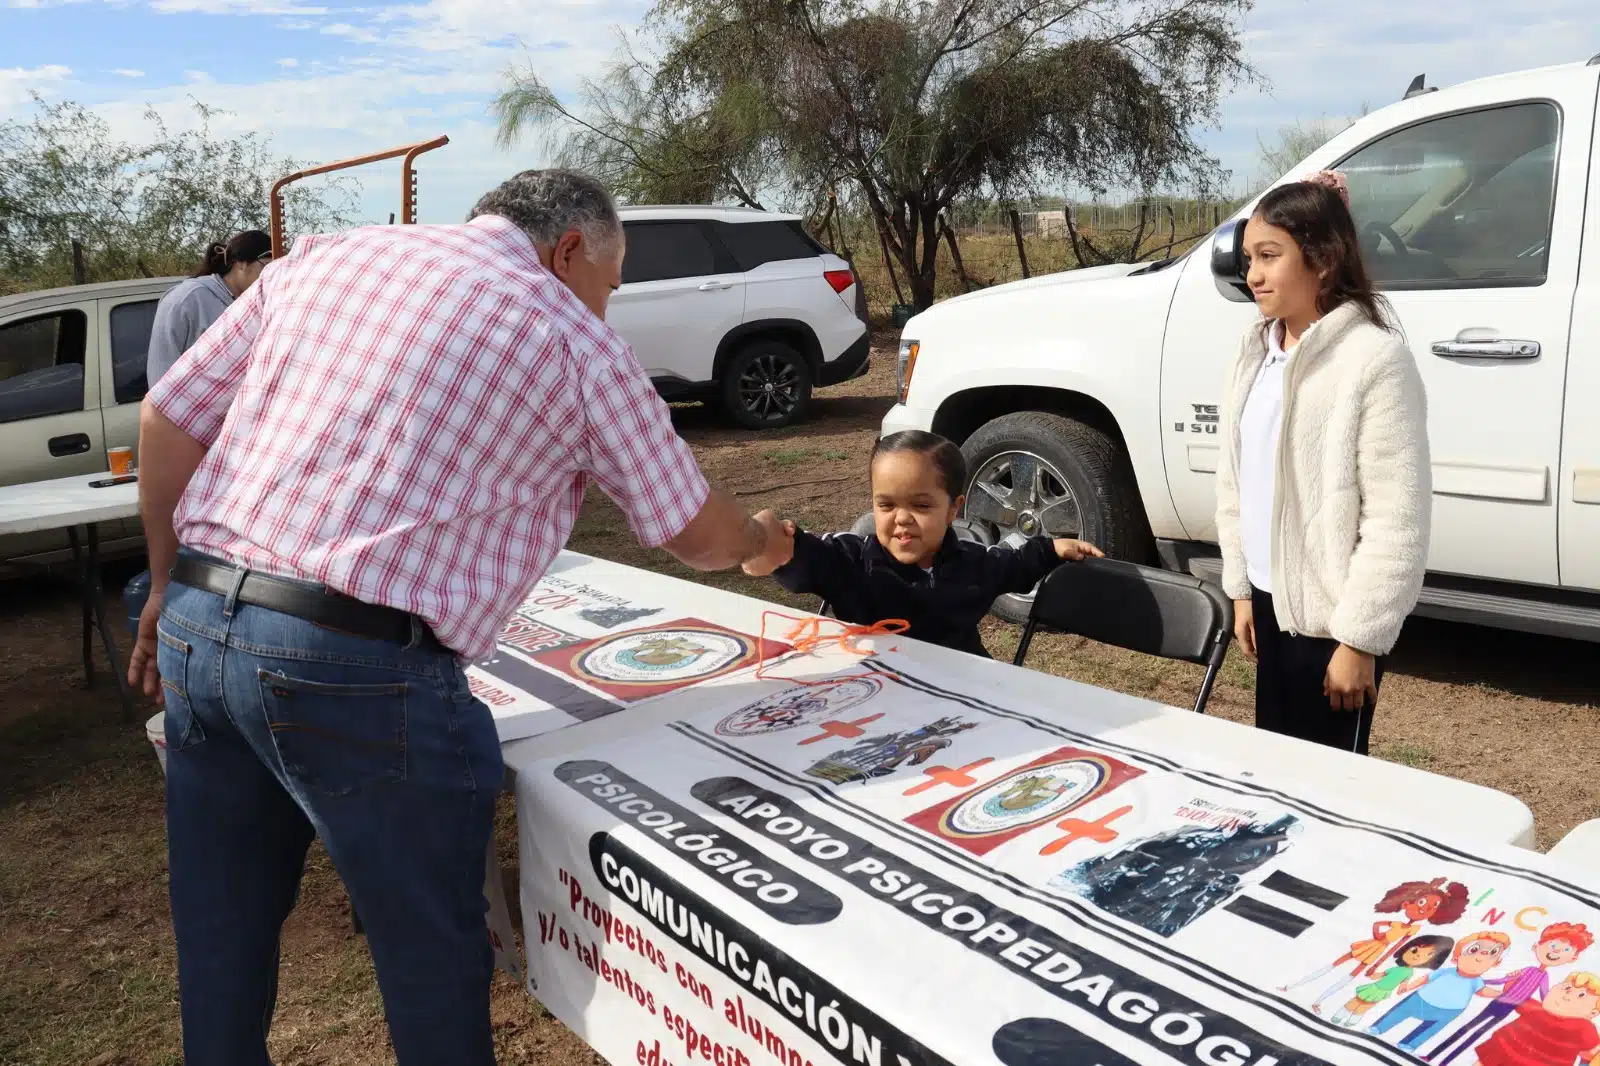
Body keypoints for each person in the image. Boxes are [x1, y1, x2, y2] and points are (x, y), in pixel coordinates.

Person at [126, 169, 790, 1066]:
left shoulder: (326, 260)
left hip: (202, 621)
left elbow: (169, 415)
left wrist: (167, 585)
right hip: (354, 665)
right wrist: (757, 541)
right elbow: (690, 529)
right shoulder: (569, 338)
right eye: (611, 281)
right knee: (430, 951)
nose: (610, 305)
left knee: (221, 926)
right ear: (567, 252)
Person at [1214, 171, 1431, 755]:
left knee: (1330, 790)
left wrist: (1360, 640)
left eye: (1269, 256)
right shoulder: (1256, 351)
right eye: (1248, 257)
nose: (1253, 274)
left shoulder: (1373, 363)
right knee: (1276, 771)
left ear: (1323, 260)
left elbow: (1397, 519)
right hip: (1266, 601)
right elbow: (1235, 480)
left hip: (1330, 624)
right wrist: (1240, 588)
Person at [742, 429, 1102, 656]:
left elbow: (1017, 564)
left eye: (921, 505)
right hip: (877, 688)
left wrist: (1053, 549)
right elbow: (807, 561)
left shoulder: (974, 564)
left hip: (961, 690)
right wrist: (774, 545)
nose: (901, 518)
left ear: (952, 509)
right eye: (886, 504)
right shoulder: (852, 562)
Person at [1430, 922, 1595, 1065]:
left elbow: (1545, 996)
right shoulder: (1527, 970)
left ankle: (1445, 1060)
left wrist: (1554, 1010)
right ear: (1536, 946)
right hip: (1500, 1001)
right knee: (1468, 1028)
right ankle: (1435, 1055)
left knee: (1477, 1032)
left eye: (1565, 950)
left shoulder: (1543, 976)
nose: (1556, 952)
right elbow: (1502, 981)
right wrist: (1484, 981)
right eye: (1553, 946)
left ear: (1572, 958)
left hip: (1509, 1007)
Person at [146, 229, 272, 386]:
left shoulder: (257, 306)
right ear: (240, 263)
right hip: (189, 407)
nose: (271, 276)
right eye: (267, 267)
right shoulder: (186, 299)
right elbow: (160, 372)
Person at [1370, 931, 1511, 1052]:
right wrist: (1409, 986)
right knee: (1400, 1012)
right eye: (1474, 950)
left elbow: (1483, 991)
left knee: (1430, 1028)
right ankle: (1379, 1027)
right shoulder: (1446, 971)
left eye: (1492, 953)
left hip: (1450, 1010)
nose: (1480, 957)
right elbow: (1426, 978)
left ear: (1496, 963)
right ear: (1457, 957)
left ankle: (1409, 1044)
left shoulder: (1476, 981)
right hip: (1421, 999)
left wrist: (1501, 993)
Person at [1464, 971, 1600, 1066]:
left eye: (1581, 996)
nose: (1566, 996)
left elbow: (1591, 1051)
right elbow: (1514, 995)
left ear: (1593, 1012)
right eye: (1566, 988)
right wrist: (1515, 979)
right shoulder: (1535, 1008)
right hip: (1502, 1052)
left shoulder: (1584, 1028)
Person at [1331, 935, 1453, 1027]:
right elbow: (1382, 974)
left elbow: (1404, 983)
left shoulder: (1409, 972)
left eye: (1429, 955)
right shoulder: (1395, 968)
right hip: (1375, 987)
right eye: (1415, 950)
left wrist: (1403, 989)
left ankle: (1352, 1020)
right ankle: (1341, 1014)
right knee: (1356, 1000)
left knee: (1365, 1006)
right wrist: (1372, 975)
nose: (1417, 956)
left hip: (1383, 991)